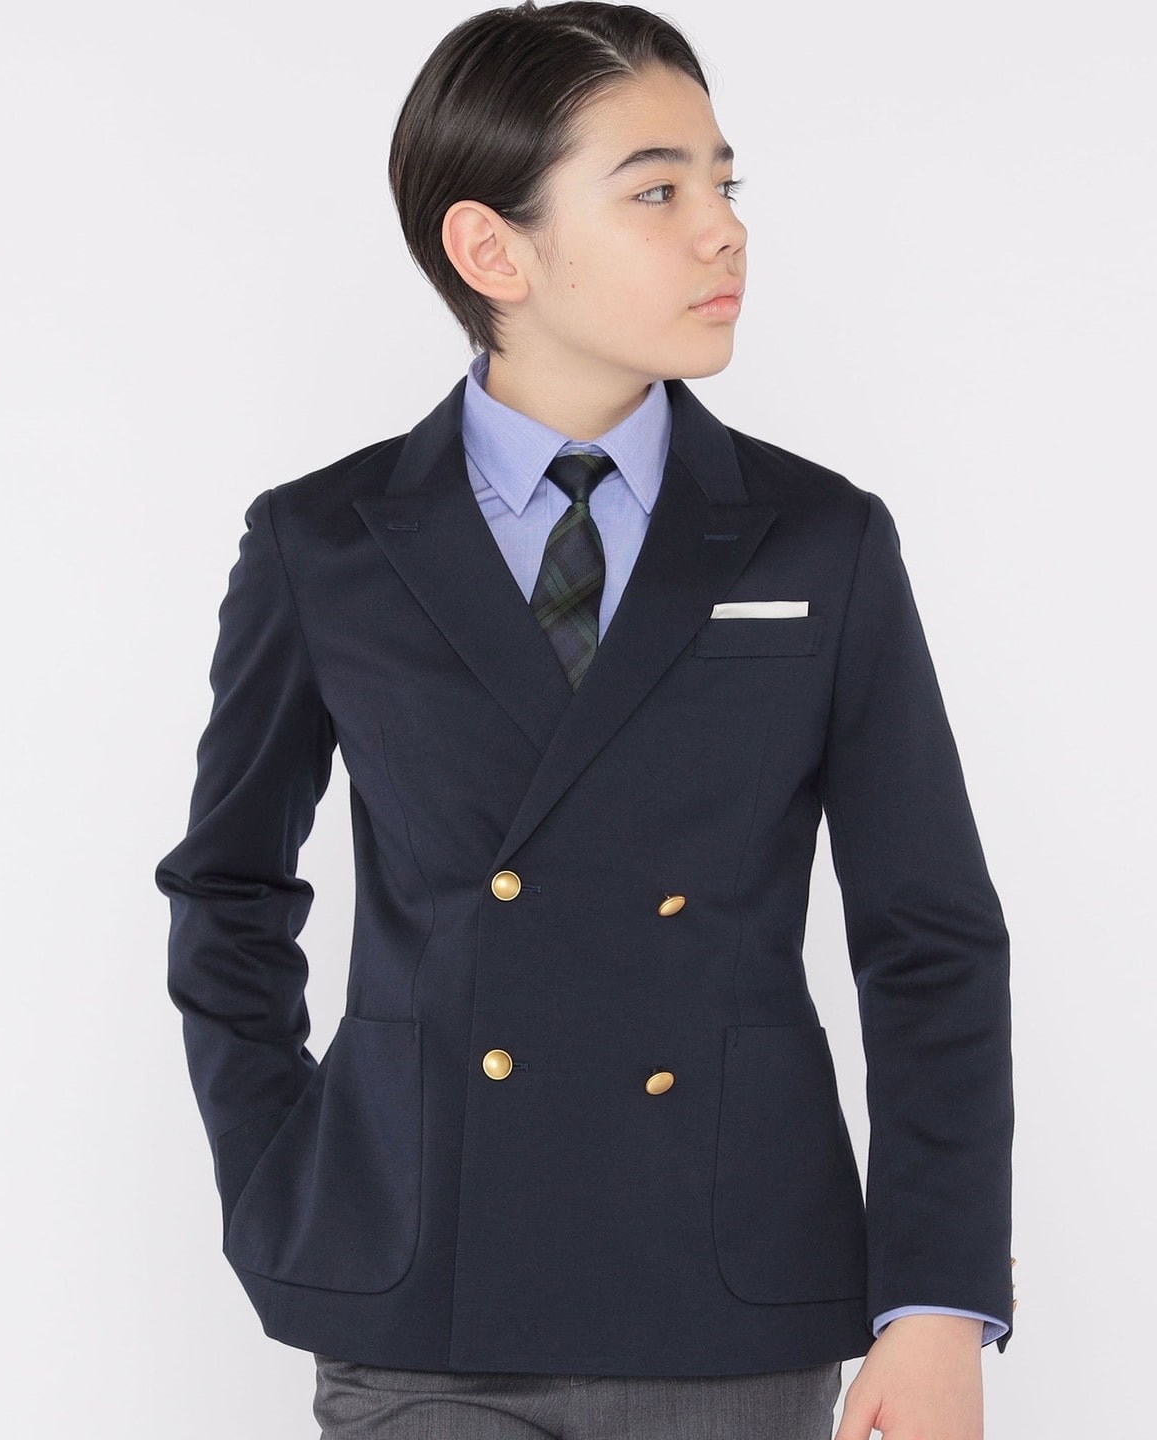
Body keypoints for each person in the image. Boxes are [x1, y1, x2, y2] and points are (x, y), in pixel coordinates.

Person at [154, 3, 1015, 1436]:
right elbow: (230, 891)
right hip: (428, 1295)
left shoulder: (822, 539)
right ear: (493, 250)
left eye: (724, 182)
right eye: (657, 191)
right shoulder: (325, 544)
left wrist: (935, 1302)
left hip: (731, 1292)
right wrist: (287, 1183)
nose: (725, 231)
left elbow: (929, 937)